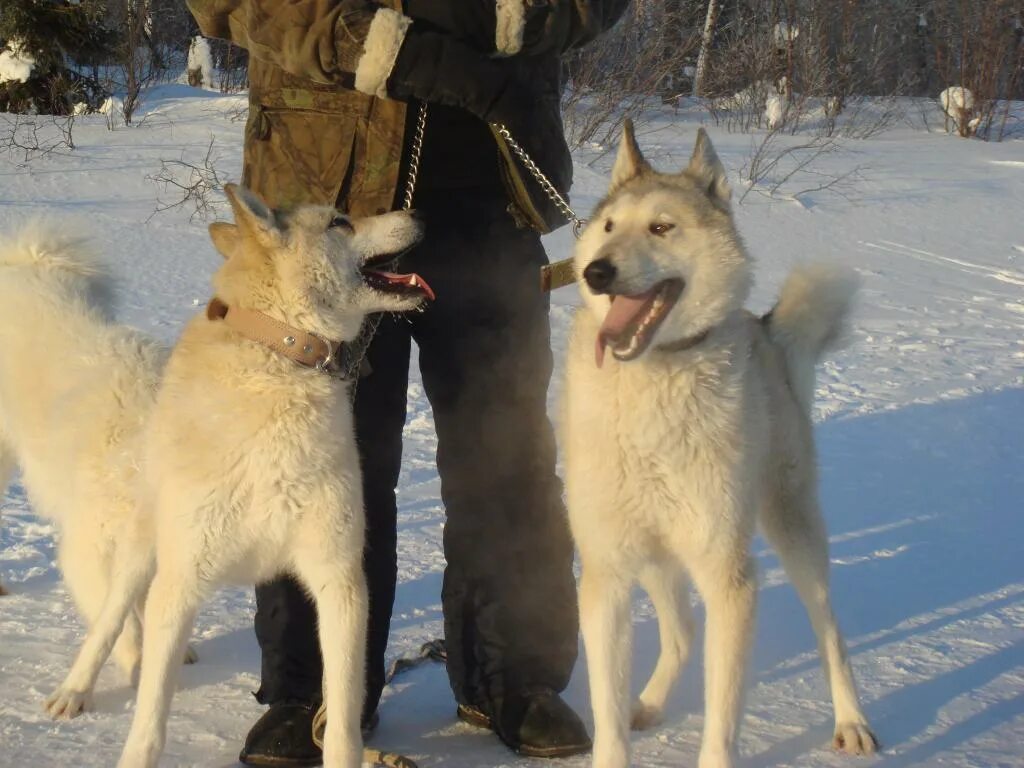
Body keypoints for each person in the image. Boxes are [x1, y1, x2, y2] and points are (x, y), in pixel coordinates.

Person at [185, 1, 630, 764]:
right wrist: (379, 43)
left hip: (492, 193)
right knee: (317, 459)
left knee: (508, 453)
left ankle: (511, 676)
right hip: (324, 208)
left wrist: (487, 16)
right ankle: (313, 689)